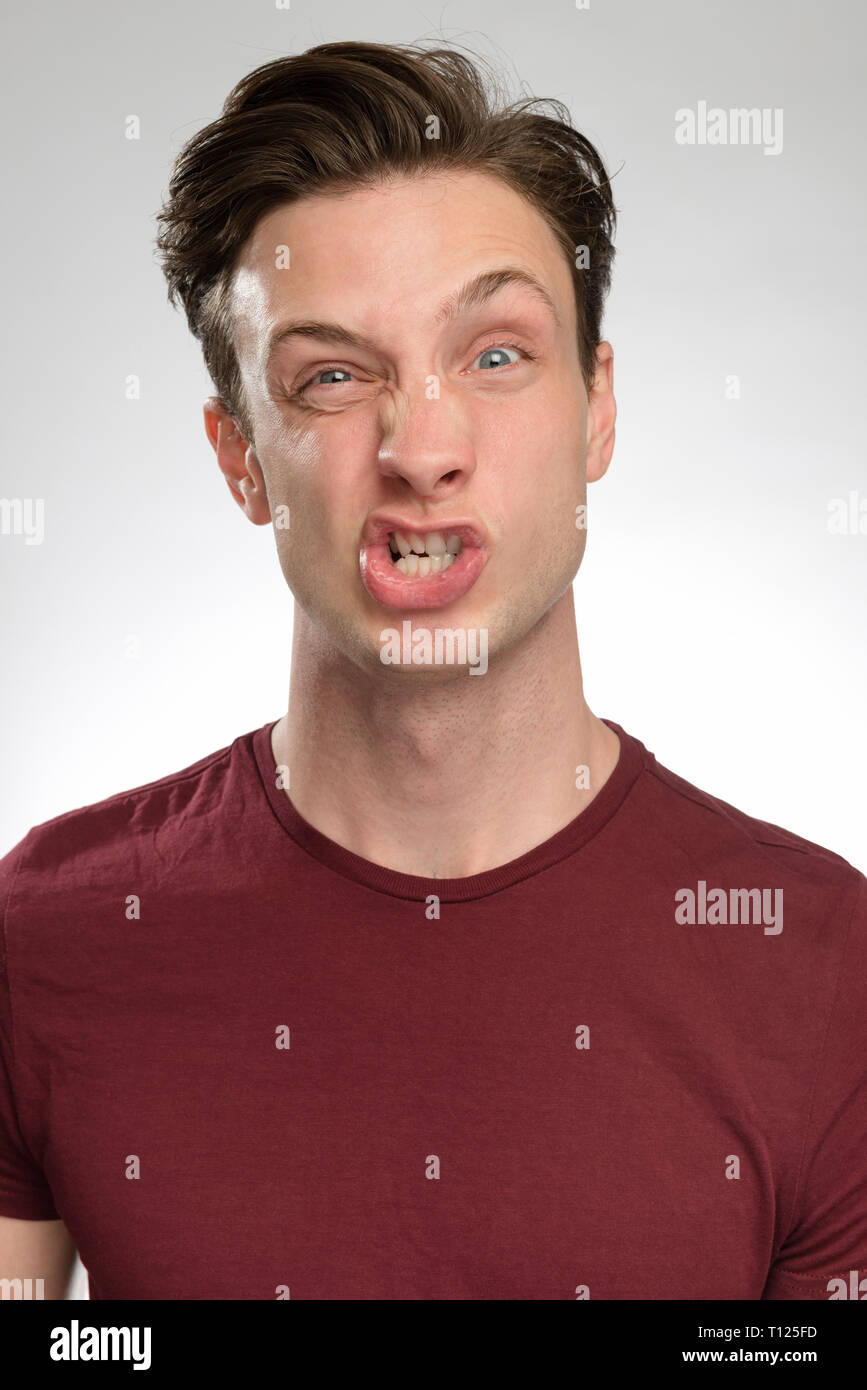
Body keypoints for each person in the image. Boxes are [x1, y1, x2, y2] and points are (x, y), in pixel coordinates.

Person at [1, 40, 864, 1302]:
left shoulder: (824, 963)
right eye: (335, 377)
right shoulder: (48, 935)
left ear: (597, 409)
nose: (423, 447)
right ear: (241, 456)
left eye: (496, 354)